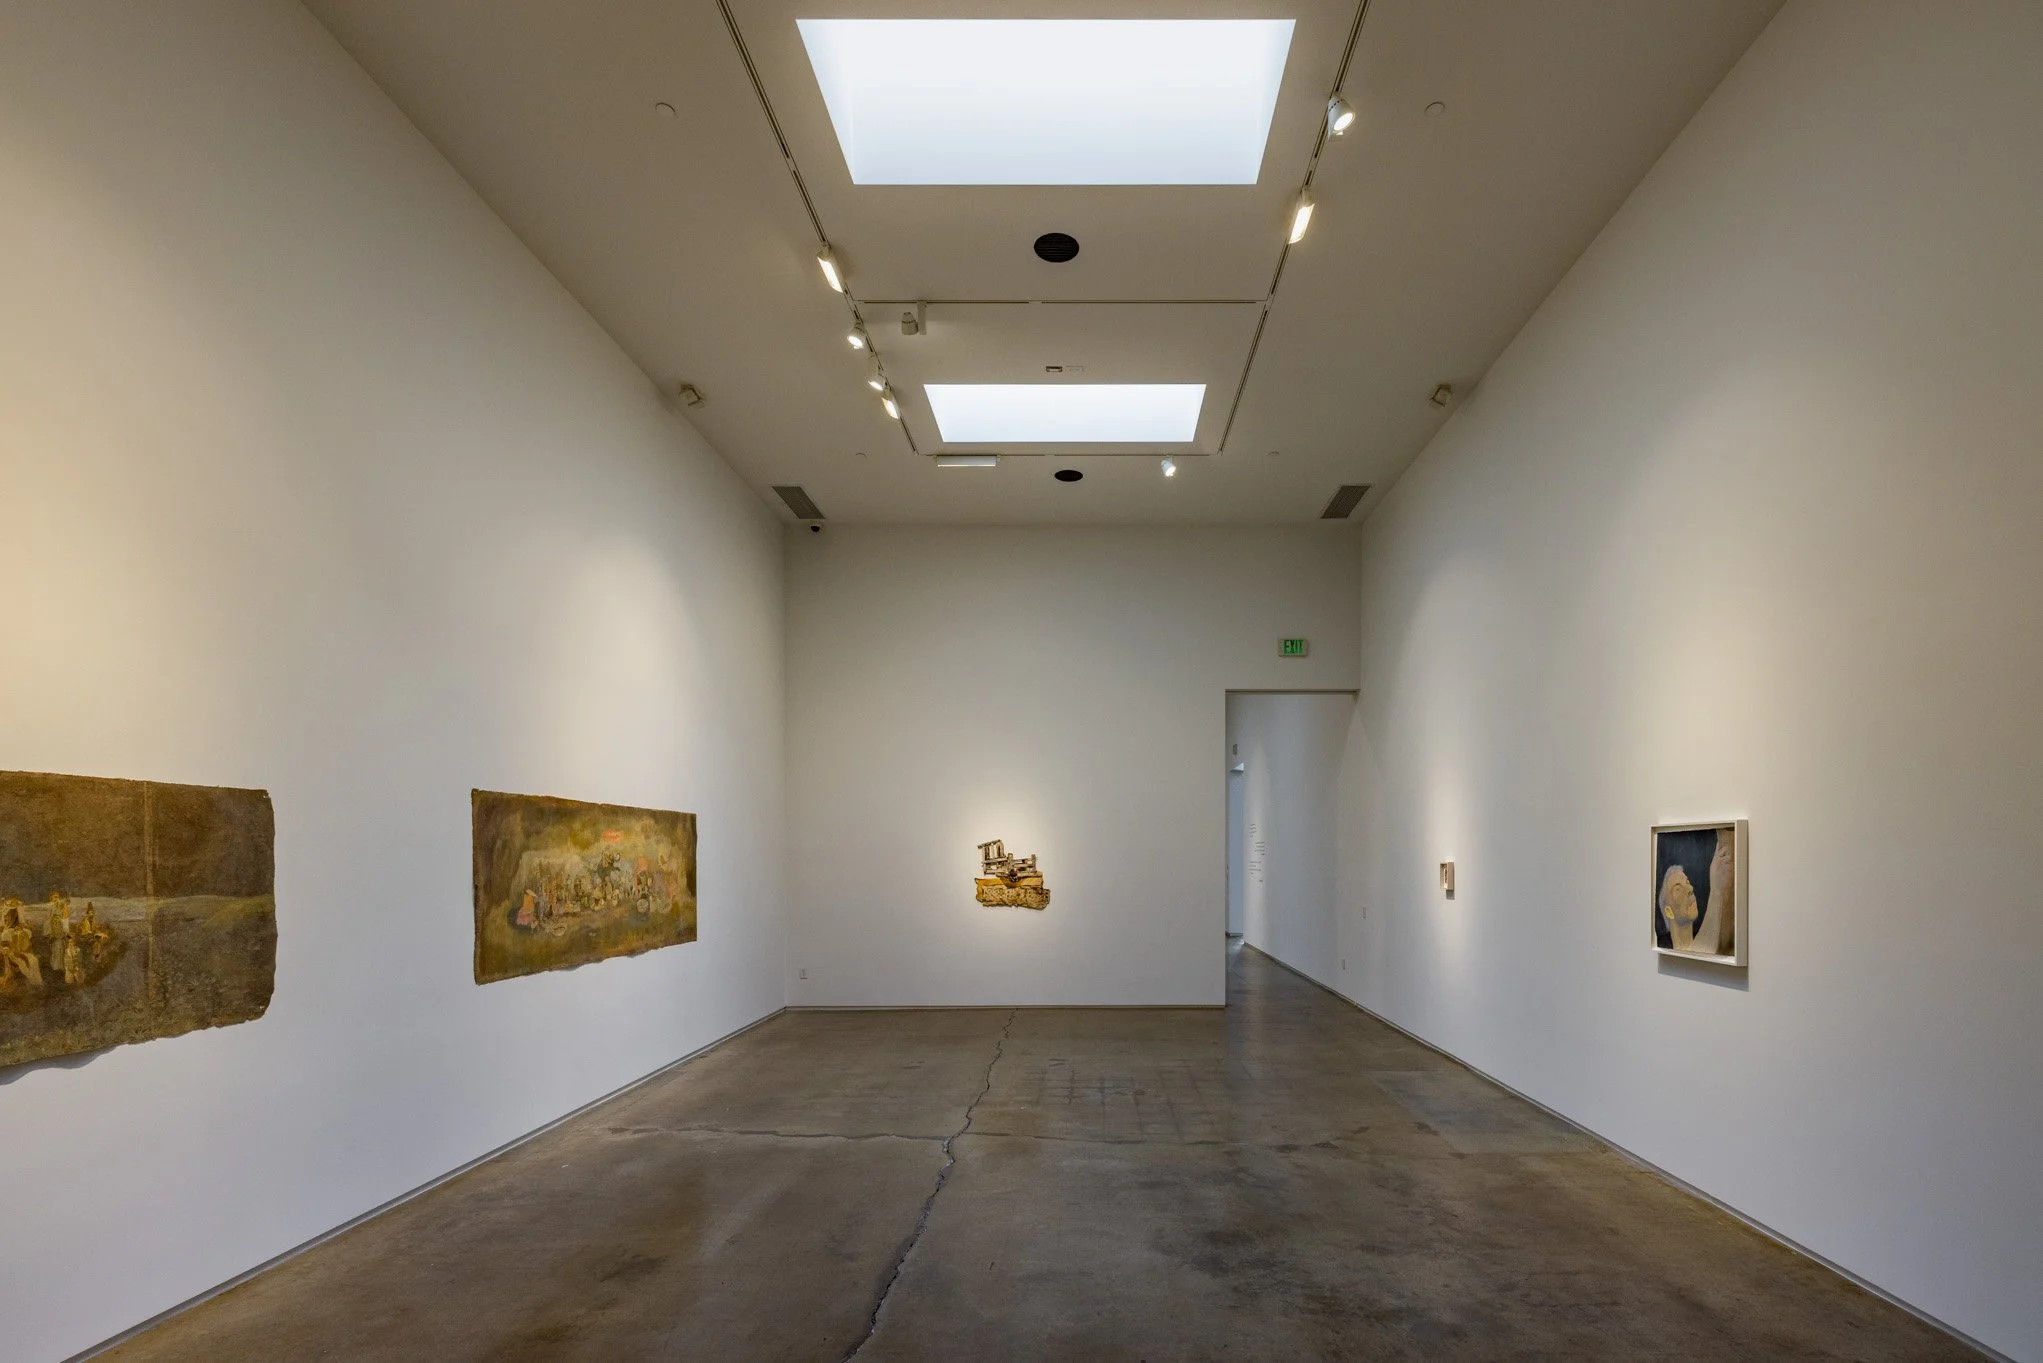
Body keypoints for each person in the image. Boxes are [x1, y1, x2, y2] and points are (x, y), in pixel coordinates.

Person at [0, 903, 42, 989]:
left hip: (17, 951)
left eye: (8, 917)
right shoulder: (6, 933)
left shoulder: (23, 932)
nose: (6, 919)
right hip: (9, 952)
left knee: (31, 960)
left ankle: (33, 982)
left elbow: (25, 946)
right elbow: (6, 944)